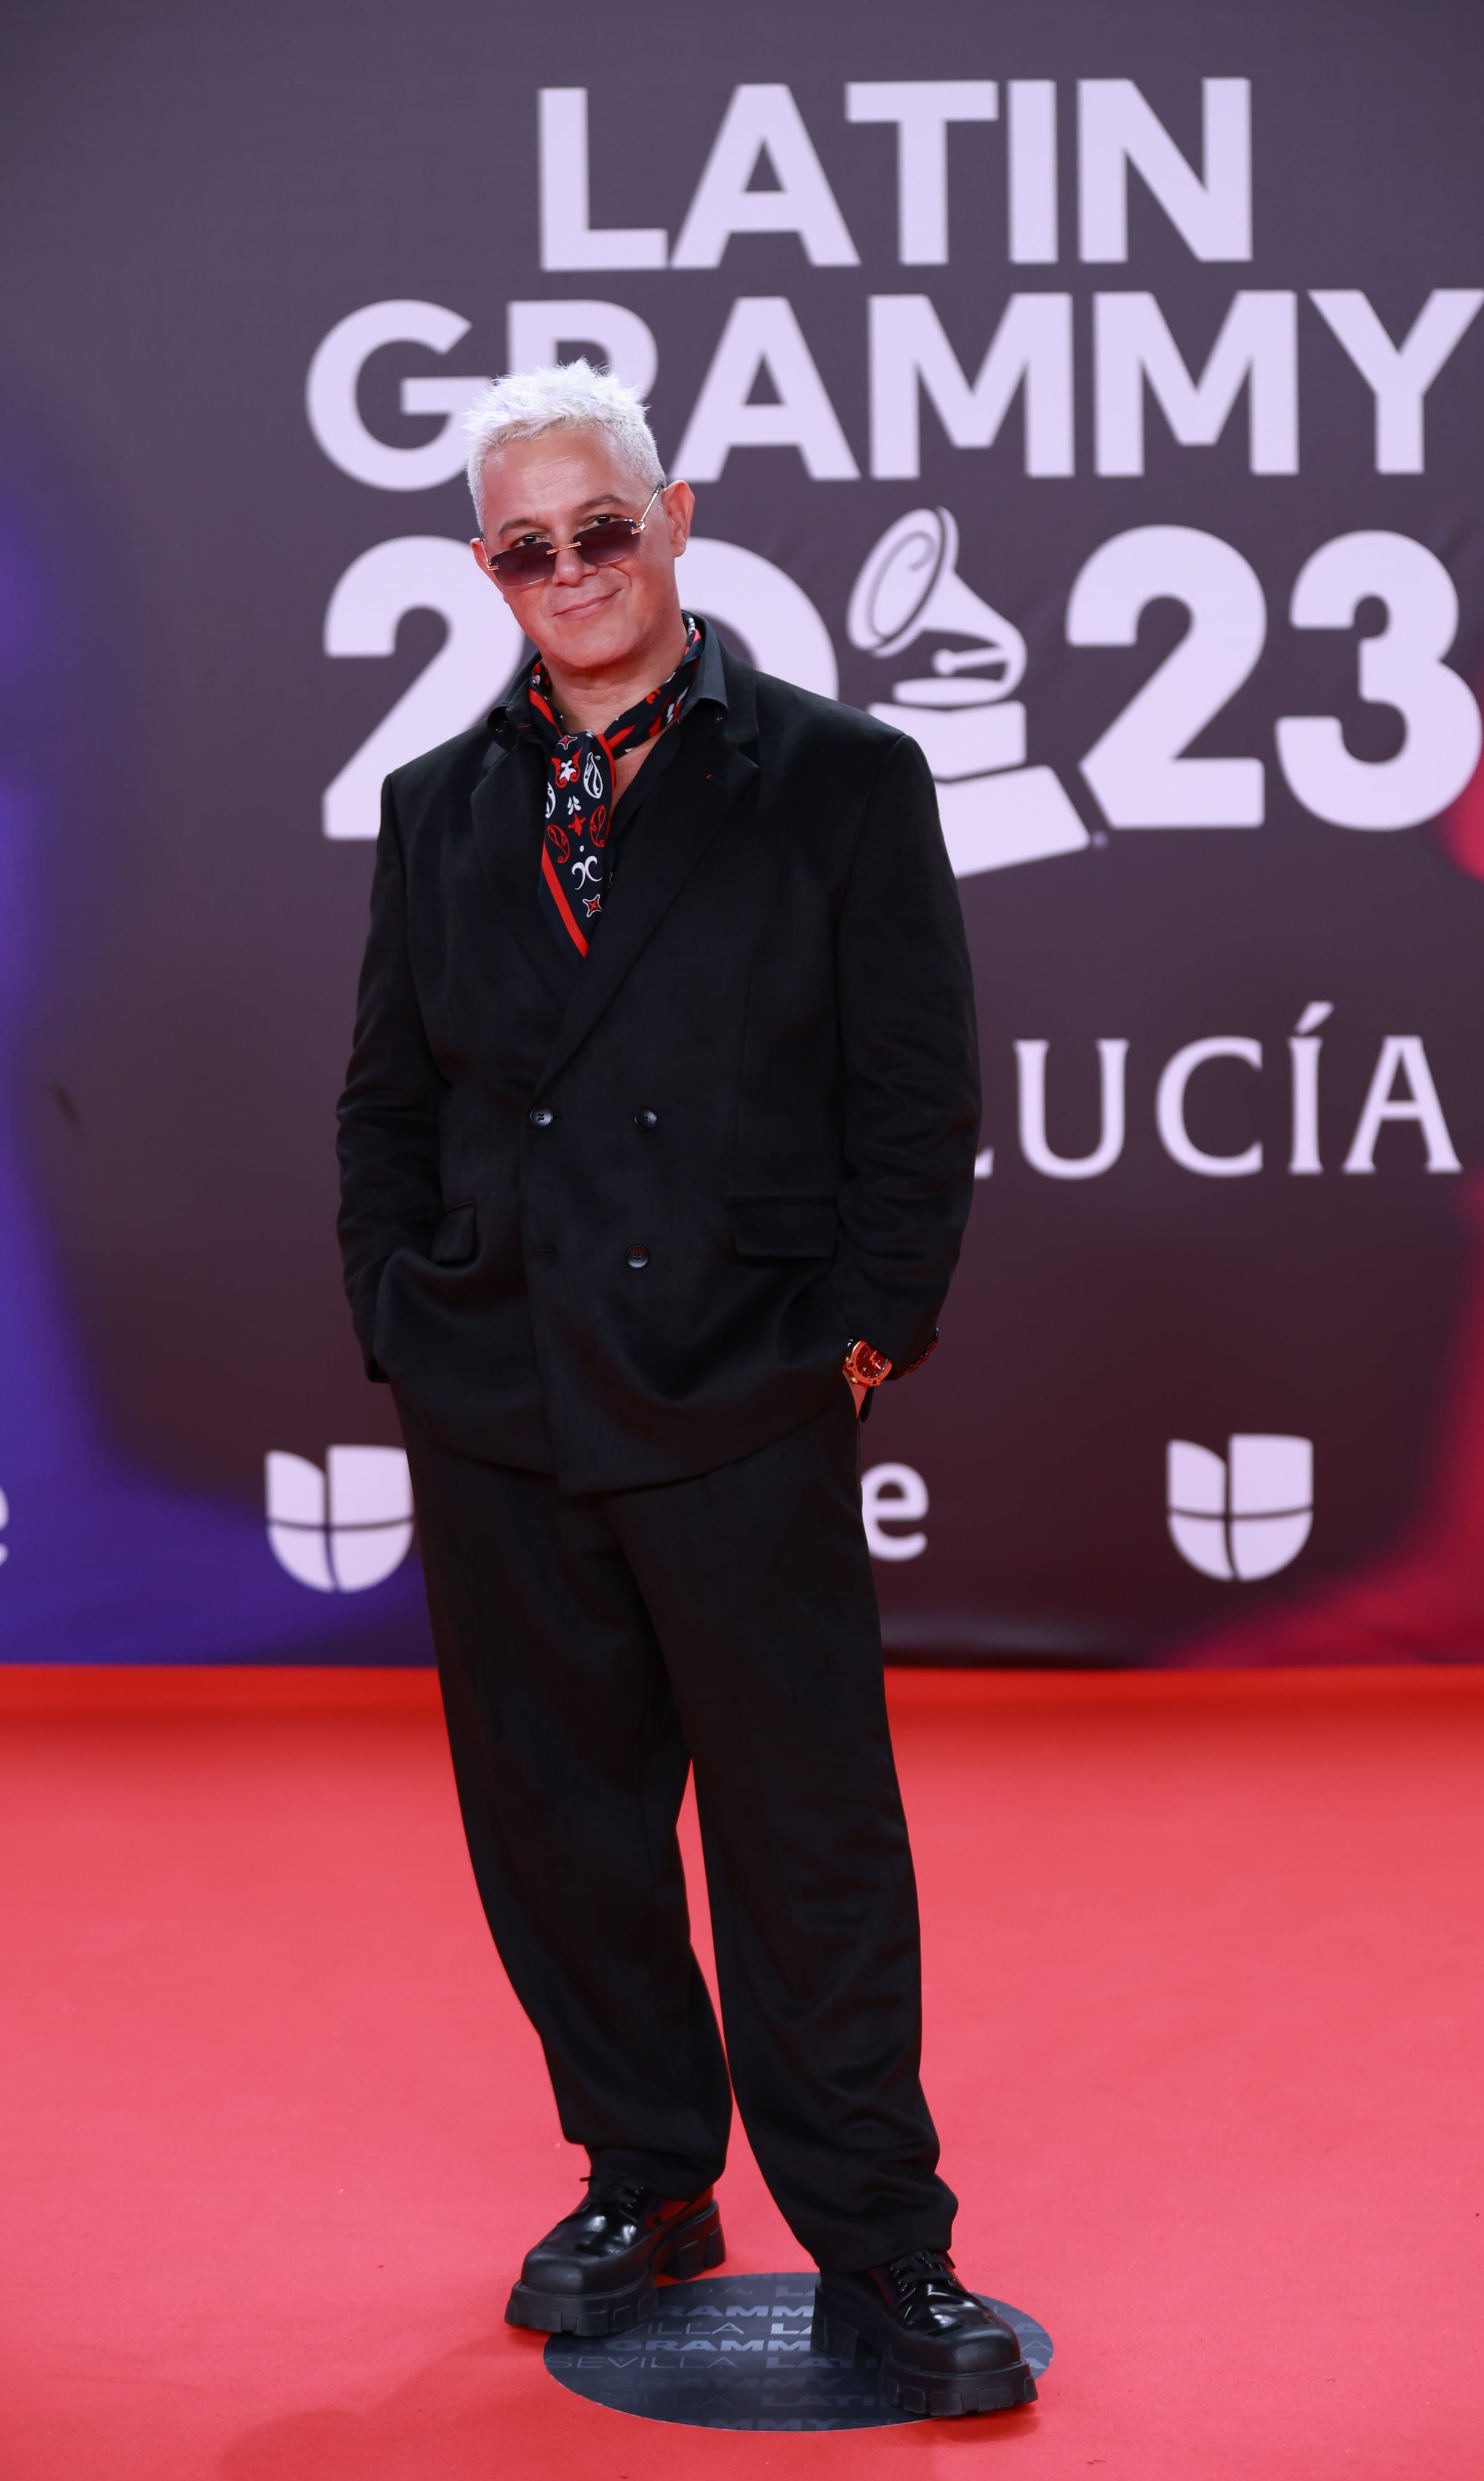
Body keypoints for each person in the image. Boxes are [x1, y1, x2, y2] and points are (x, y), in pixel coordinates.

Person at [336, 362, 1033, 2419]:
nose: (570, 571)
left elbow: (918, 1104)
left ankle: (887, 2252)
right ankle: (644, 2178)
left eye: (602, 528)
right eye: (526, 546)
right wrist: (404, 1311)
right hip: (497, 1403)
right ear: (490, 568)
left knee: (809, 1837)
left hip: (739, 1396)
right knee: (562, 1836)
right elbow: (387, 1101)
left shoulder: (840, 780)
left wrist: (860, 1335)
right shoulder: (436, 806)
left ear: (678, 520)